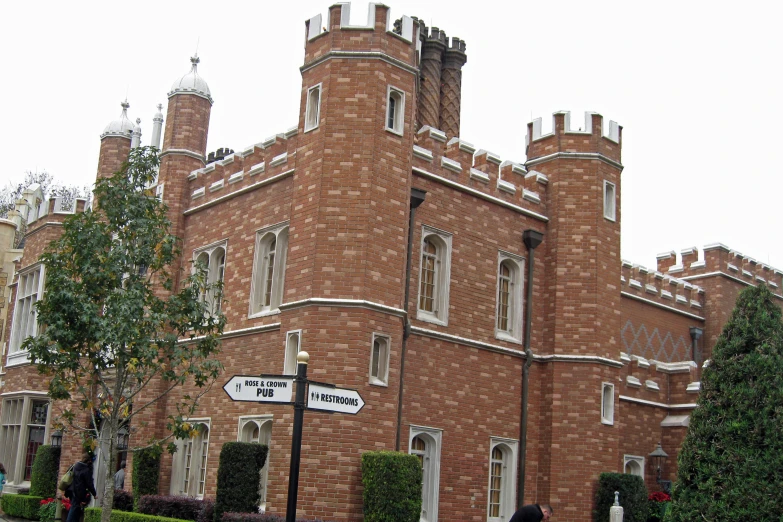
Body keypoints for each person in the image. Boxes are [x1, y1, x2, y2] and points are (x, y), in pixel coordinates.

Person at [66, 452, 97, 522]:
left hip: (72, 490)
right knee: (74, 510)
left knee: (75, 510)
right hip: (79, 492)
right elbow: (89, 484)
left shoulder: (75, 466)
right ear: (88, 461)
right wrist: (94, 494)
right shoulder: (86, 470)